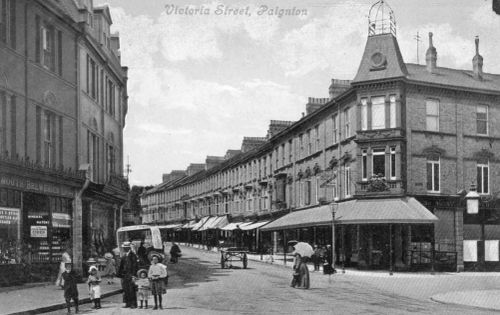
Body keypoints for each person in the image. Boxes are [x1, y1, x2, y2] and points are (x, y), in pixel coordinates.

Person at [118, 241, 138, 309]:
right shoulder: (124, 256)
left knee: (131, 289)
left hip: (131, 274)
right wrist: (120, 274)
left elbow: (135, 266)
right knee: (126, 289)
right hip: (125, 275)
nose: (124, 249)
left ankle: (133, 304)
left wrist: (134, 275)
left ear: (128, 248)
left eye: (125, 248)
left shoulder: (133, 255)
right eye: (124, 248)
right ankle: (128, 303)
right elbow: (121, 266)